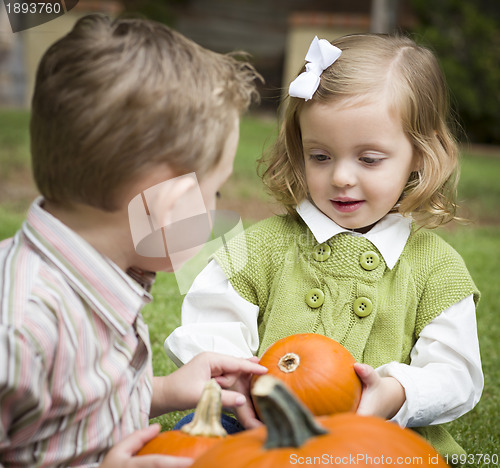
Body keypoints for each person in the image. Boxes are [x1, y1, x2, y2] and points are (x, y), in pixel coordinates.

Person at [165, 34, 483, 459]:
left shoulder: (437, 268)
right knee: (198, 445)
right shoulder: (260, 246)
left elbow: (455, 373)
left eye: (368, 159)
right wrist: (235, 377)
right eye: (320, 156)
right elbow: (208, 324)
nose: (341, 178)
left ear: (420, 156)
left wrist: (395, 393)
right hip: (261, 425)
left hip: (378, 436)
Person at [0, 13, 267, 468]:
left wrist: (162, 390)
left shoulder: (103, 272)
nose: (217, 207)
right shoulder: (20, 331)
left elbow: (69, 415)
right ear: (172, 206)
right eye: (214, 193)